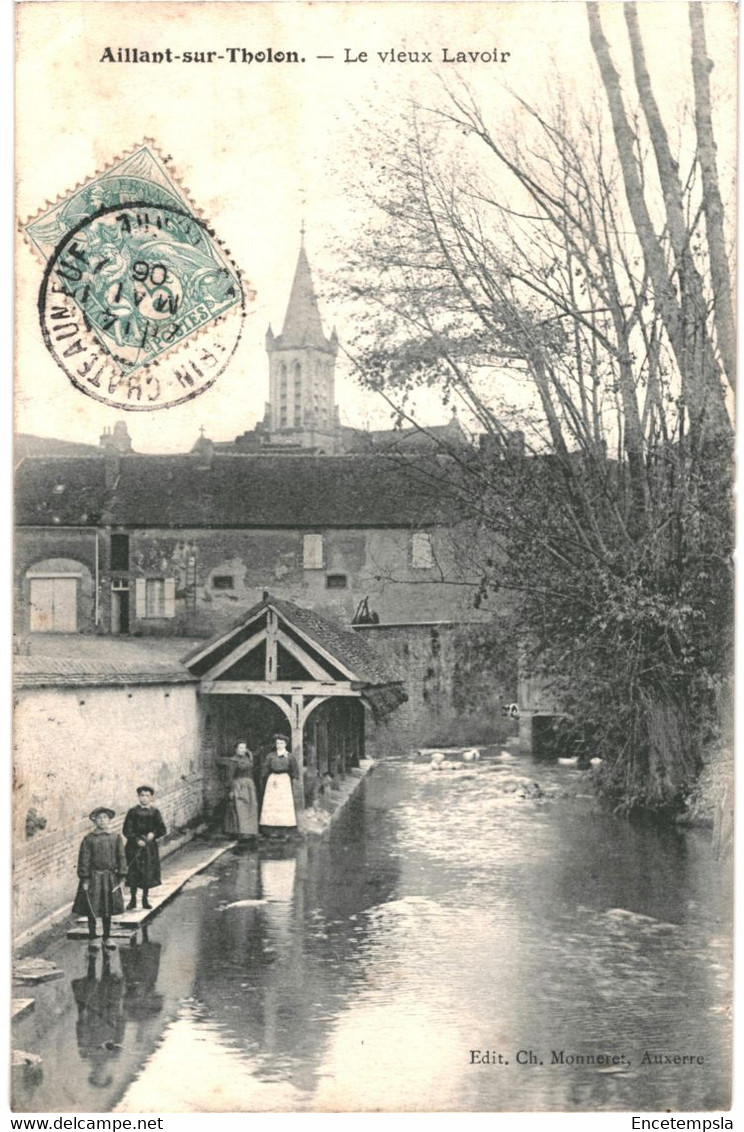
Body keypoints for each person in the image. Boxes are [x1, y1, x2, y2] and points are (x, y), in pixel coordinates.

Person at [72, 807, 126, 952]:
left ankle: (107, 937)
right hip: (94, 878)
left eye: (105, 818)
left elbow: (121, 856)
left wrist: (122, 875)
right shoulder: (89, 839)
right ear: (94, 820)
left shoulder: (115, 837)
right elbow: (84, 859)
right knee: (92, 908)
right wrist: (85, 878)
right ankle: (92, 938)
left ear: (109, 820)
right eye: (99, 818)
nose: (102, 821)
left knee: (107, 908)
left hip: (109, 878)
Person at [123, 786, 166, 911]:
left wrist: (154, 834)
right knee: (133, 872)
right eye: (142, 795)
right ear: (138, 797)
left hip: (149, 848)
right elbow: (127, 830)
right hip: (134, 847)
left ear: (151, 797)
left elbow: (162, 828)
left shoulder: (154, 812)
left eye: (147, 796)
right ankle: (132, 900)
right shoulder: (132, 812)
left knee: (147, 872)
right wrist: (136, 840)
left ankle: (145, 899)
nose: (144, 798)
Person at [219, 741, 259, 842]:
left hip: (249, 785)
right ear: (236, 749)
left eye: (244, 748)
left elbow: (251, 766)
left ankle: (249, 831)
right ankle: (241, 832)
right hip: (239, 785)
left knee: (251, 807)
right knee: (241, 809)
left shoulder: (247, 759)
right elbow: (230, 776)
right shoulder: (233, 761)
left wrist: (249, 753)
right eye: (240, 748)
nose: (243, 750)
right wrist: (231, 790)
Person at [259, 734, 299, 837]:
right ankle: (271, 827)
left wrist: (294, 779)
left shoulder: (290, 756)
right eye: (277, 743)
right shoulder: (270, 756)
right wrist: (264, 777)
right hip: (273, 779)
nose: (279, 745)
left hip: (284, 779)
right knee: (272, 802)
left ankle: (284, 828)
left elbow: (294, 770)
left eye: (281, 743)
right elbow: (265, 768)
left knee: (283, 803)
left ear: (285, 744)